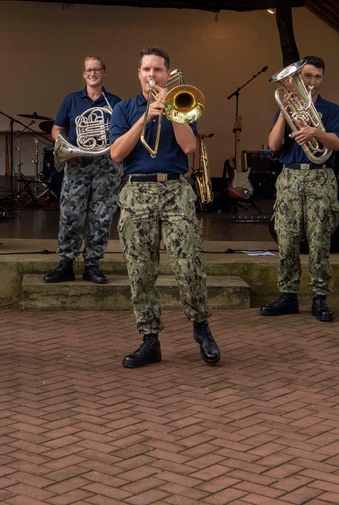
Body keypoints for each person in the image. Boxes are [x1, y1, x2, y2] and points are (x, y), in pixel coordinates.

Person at [108, 46, 219, 368]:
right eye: (146, 69)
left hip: (174, 189)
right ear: (138, 74)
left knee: (188, 267)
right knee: (140, 273)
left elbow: (189, 147)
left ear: (168, 75)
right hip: (137, 192)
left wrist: (170, 109)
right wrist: (146, 116)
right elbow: (116, 153)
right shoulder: (125, 108)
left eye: (157, 70)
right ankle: (149, 339)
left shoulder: (183, 103)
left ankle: (202, 328)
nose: (151, 75)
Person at [260, 56, 339, 323]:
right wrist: (284, 115)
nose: (311, 82)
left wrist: (313, 133)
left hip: (320, 177)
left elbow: (337, 144)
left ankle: (320, 297)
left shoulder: (330, 109)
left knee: (319, 240)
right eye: (307, 76)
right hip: (290, 177)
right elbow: (274, 145)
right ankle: (288, 295)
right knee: (287, 240)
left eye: (317, 77)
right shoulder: (286, 107)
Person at [44, 56, 122, 285]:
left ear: (104, 73)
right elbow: (56, 129)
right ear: (84, 73)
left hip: (106, 166)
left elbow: (123, 132)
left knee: (101, 217)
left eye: (97, 69)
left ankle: (92, 265)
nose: (93, 73)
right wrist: (69, 146)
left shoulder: (115, 102)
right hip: (77, 164)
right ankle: (65, 264)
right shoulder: (71, 100)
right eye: (89, 70)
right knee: (70, 216)